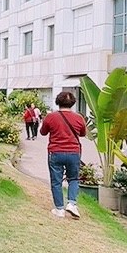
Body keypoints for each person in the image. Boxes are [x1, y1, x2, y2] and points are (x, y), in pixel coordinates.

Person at [39, 91, 87, 219]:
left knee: (56, 181)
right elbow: (82, 133)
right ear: (73, 103)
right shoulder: (79, 118)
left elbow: (43, 132)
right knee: (74, 179)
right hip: (74, 152)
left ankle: (59, 209)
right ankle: (71, 203)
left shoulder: (51, 117)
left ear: (57, 102)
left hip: (55, 152)